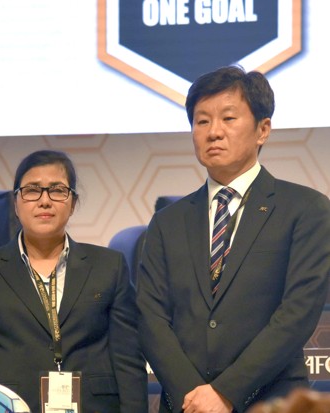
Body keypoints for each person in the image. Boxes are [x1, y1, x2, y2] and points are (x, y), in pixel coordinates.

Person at [137, 66, 330, 413]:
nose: (214, 133)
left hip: (274, 400)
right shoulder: (167, 222)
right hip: (186, 404)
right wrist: (194, 395)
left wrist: (225, 392)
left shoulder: (306, 209)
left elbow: (297, 314)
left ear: (263, 130)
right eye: (202, 121)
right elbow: (151, 318)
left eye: (228, 118)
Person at [0, 150, 147, 413]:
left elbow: (128, 361)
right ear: (16, 202)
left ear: (73, 203)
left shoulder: (108, 266)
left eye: (57, 190)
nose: (44, 201)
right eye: (32, 190)